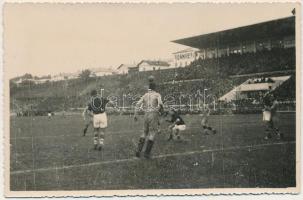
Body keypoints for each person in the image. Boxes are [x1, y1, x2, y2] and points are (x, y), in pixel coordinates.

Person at [134, 76, 163, 159]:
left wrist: (135, 114)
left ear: (149, 88)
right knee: (152, 133)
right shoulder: (157, 94)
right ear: (155, 88)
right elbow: (160, 104)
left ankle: (138, 151)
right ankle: (147, 153)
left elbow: (137, 104)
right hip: (153, 113)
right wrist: (160, 111)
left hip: (146, 114)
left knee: (144, 132)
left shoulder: (145, 95)